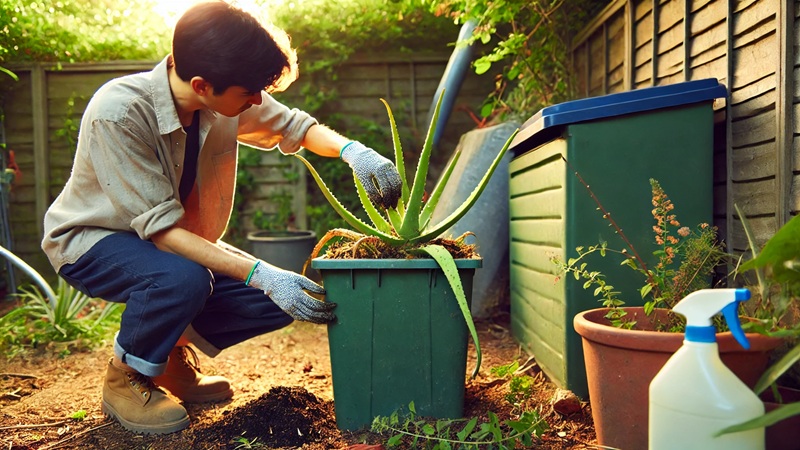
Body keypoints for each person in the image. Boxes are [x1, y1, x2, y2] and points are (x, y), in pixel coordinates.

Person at [40, 0, 401, 435]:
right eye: (249, 92)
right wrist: (262, 272)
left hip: (171, 245)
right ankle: (126, 376)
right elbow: (164, 234)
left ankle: (166, 356)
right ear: (202, 85)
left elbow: (295, 126)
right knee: (183, 278)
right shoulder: (119, 112)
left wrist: (353, 152)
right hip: (94, 242)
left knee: (272, 301)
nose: (258, 100)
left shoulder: (225, 95)